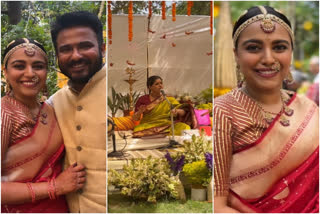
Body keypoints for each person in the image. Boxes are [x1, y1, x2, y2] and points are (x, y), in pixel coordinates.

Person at [214, 6, 319, 213]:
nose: (269, 59)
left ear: (290, 52)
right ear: (236, 54)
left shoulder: (309, 109)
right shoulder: (223, 112)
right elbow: (217, 206)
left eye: (280, 47)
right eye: (253, 48)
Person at [1, 38, 86, 213]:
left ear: (46, 72)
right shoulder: (5, 113)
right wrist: (55, 187)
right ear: (5, 72)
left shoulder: (50, 109)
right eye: (19, 66)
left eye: (38, 66)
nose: (30, 73)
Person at [48, 11, 106, 212]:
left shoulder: (118, 90)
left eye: (85, 46)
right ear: (57, 56)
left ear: (102, 48)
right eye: (66, 49)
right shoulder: (54, 103)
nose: (76, 56)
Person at [132, 75, 196, 138]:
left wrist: (177, 111)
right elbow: (135, 118)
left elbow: (184, 112)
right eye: (157, 84)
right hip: (149, 124)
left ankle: (159, 135)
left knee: (184, 127)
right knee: (138, 129)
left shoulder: (168, 99)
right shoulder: (143, 99)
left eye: (161, 83)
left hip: (166, 124)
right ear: (150, 87)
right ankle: (163, 135)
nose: (160, 86)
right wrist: (140, 112)